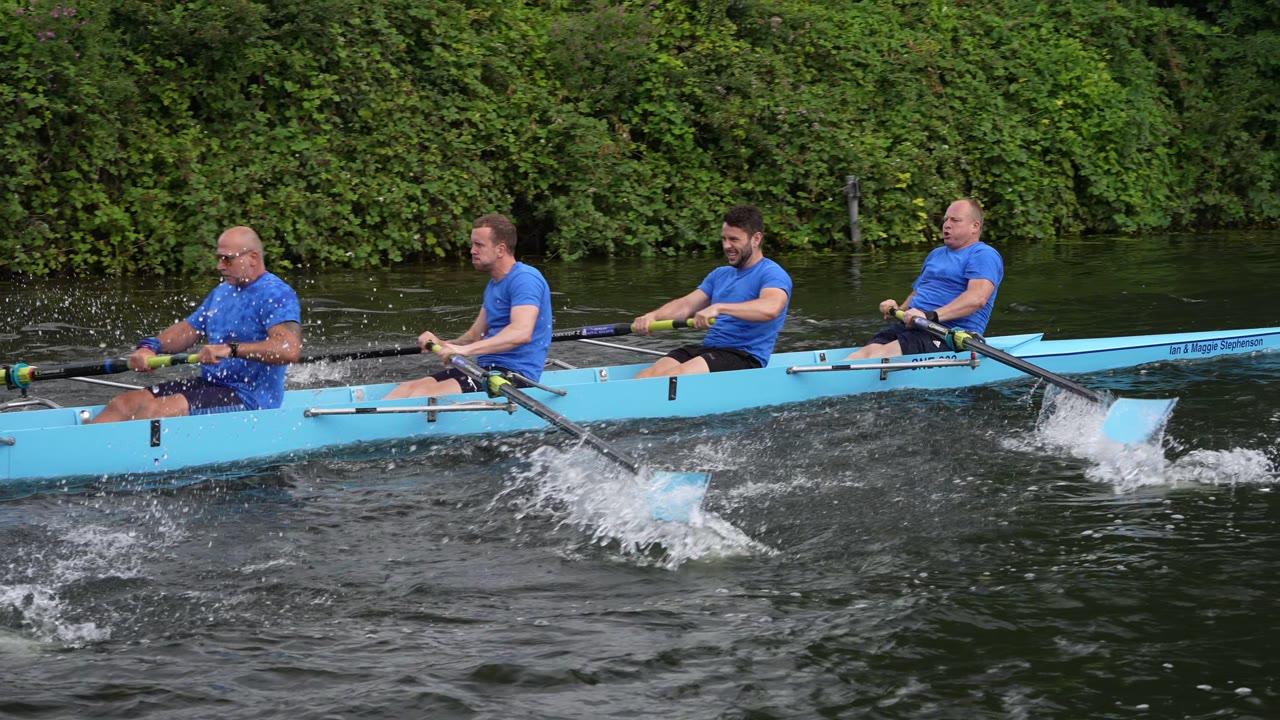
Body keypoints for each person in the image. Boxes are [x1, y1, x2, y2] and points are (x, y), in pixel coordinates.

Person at [88, 226, 302, 423]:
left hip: (251, 397)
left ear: (253, 258)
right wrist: (150, 346)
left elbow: (289, 349)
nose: (219, 266)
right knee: (122, 404)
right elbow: (189, 329)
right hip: (212, 385)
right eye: (218, 258)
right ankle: (84, 454)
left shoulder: (277, 294)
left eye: (227, 259)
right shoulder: (222, 292)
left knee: (155, 412)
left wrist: (232, 349)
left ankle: (122, 460)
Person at [385, 214, 552, 399]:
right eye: (473, 244)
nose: (472, 251)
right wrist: (443, 344)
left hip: (515, 377)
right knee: (407, 389)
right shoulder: (494, 285)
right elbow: (474, 336)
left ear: (500, 249)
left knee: (424, 395)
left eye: (479, 245)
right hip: (485, 370)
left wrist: (463, 351)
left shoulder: (525, 279)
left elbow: (521, 333)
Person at [632, 205, 792, 378]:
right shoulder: (720, 275)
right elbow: (685, 306)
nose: (726, 246)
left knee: (673, 377)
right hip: (710, 349)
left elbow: (771, 308)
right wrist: (652, 317)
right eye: (724, 239)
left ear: (756, 239)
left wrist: (720, 308)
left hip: (744, 356)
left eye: (734, 239)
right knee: (647, 375)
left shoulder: (772, 274)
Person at [845, 198, 1003, 359]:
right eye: (946, 220)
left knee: (879, 356)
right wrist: (898, 310)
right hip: (913, 326)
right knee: (865, 353)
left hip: (950, 335)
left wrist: (930, 316)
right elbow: (917, 294)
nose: (947, 225)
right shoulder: (936, 254)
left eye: (955, 220)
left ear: (975, 227)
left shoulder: (983, 255)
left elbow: (977, 299)